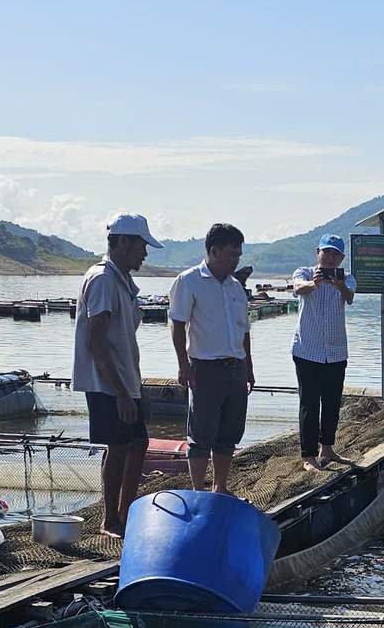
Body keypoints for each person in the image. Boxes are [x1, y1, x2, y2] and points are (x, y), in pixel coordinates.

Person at [73, 212, 160, 537]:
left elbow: (124, 343)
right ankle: (110, 521)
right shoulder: (102, 279)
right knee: (119, 444)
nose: (145, 253)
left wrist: (138, 390)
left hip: (125, 381)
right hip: (106, 383)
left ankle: (126, 515)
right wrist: (121, 392)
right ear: (123, 242)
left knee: (139, 442)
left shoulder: (121, 281)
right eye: (141, 245)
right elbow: (96, 340)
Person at [168, 223, 254, 495]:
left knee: (230, 432)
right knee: (202, 433)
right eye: (231, 254)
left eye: (239, 254)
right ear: (213, 251)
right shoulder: (189, 280)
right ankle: (197, 489)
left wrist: (249, 368)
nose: (236, 260)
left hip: (236, 367)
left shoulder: (235, 287)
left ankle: (220, 486)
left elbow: (245, 331)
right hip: (205, 368)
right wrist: (183, 365)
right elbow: (177, 325)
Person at [291, 234, 355, 471]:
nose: (330, 257)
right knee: (309, 402)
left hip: (336, 351)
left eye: (335, 254)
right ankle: (308, 456)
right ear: (318, 252)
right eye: (326, 252)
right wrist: (315, 284)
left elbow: (350, 297)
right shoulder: (305, 273)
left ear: (341, 258)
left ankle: (327, 447)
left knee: (332, 402)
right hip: (307, 349)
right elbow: (298, 288)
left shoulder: (346, 278)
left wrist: (340, 286)